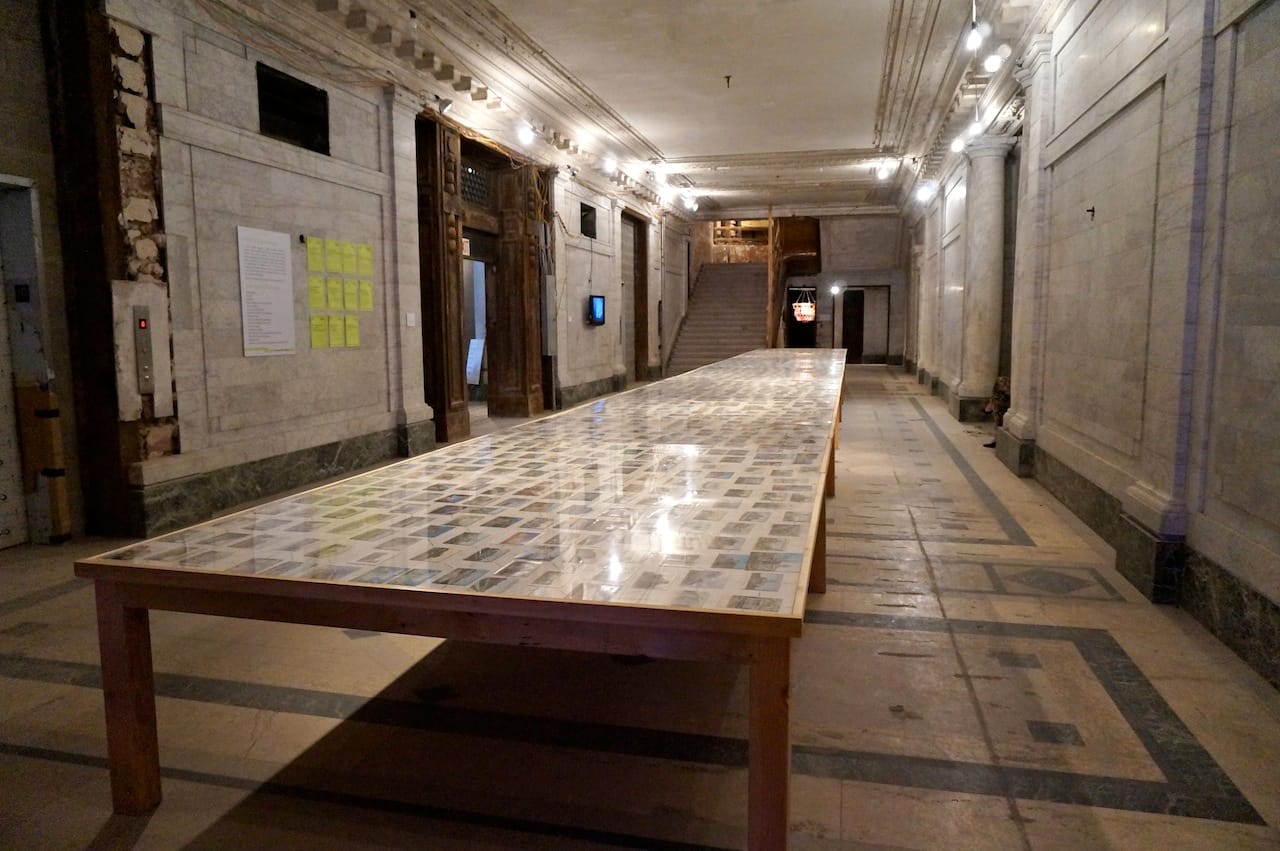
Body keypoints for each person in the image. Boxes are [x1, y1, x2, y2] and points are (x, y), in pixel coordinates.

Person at [983, 376, 1010, 448]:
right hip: (1001, 402)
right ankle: (996, 439)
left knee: (999, 420)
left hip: (1002, 404)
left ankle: (997, 440)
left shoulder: (1002, 383)